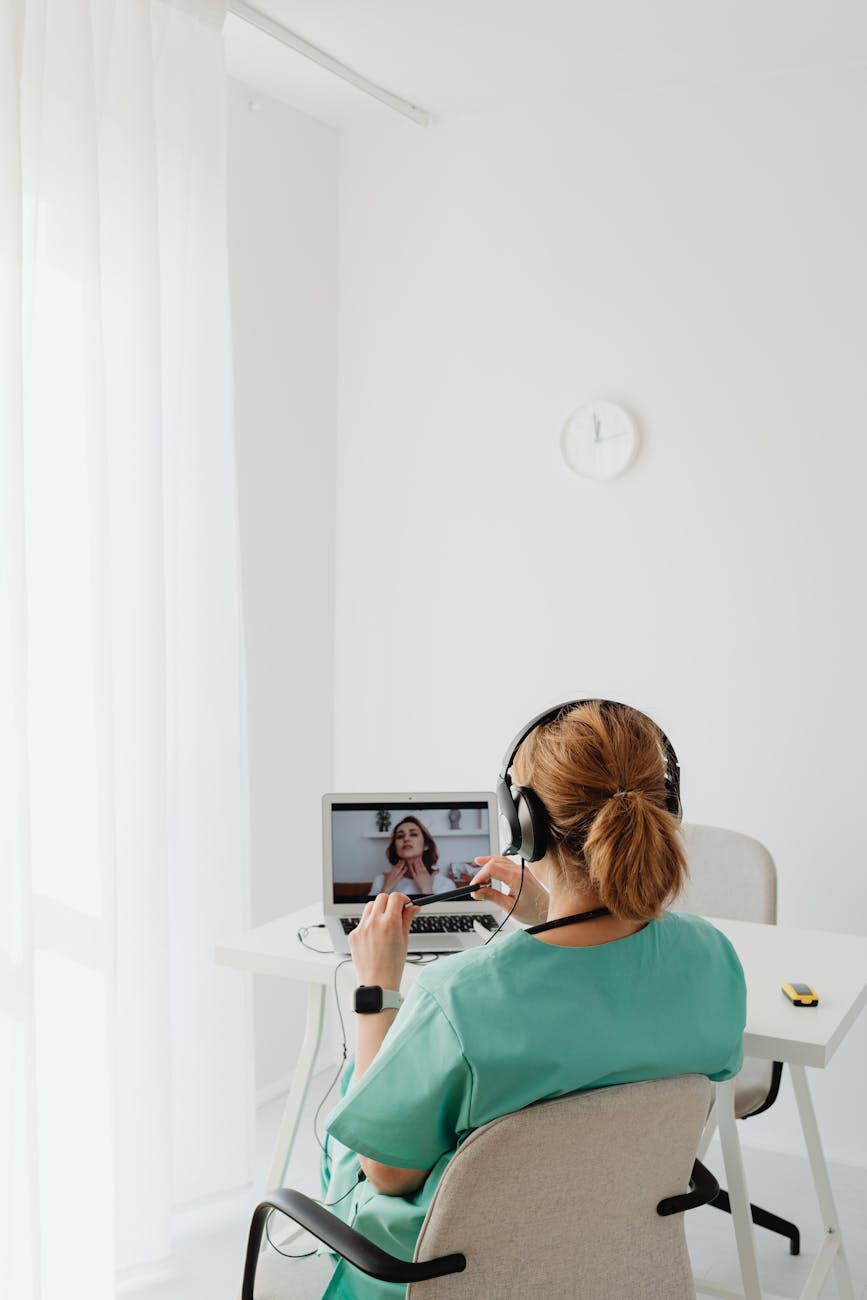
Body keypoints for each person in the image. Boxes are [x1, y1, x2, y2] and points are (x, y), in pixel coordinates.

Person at [275, 701, 746, 1300]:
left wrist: (376, 990)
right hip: (611, 1256)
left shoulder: (457, 999)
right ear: (666, 806)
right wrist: (549, 914)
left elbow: (388, 1175)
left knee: (355, 1097)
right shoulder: (710, 957)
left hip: (449, 1273)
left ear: (526, 826)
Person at [369, 816, 452, 896]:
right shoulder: (380, 881)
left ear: (426, 845)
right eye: (400, 836)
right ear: (395, 848)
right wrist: (385, 889)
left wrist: (427, 891)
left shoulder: (445, 884)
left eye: (413, 834)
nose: (406, 839)